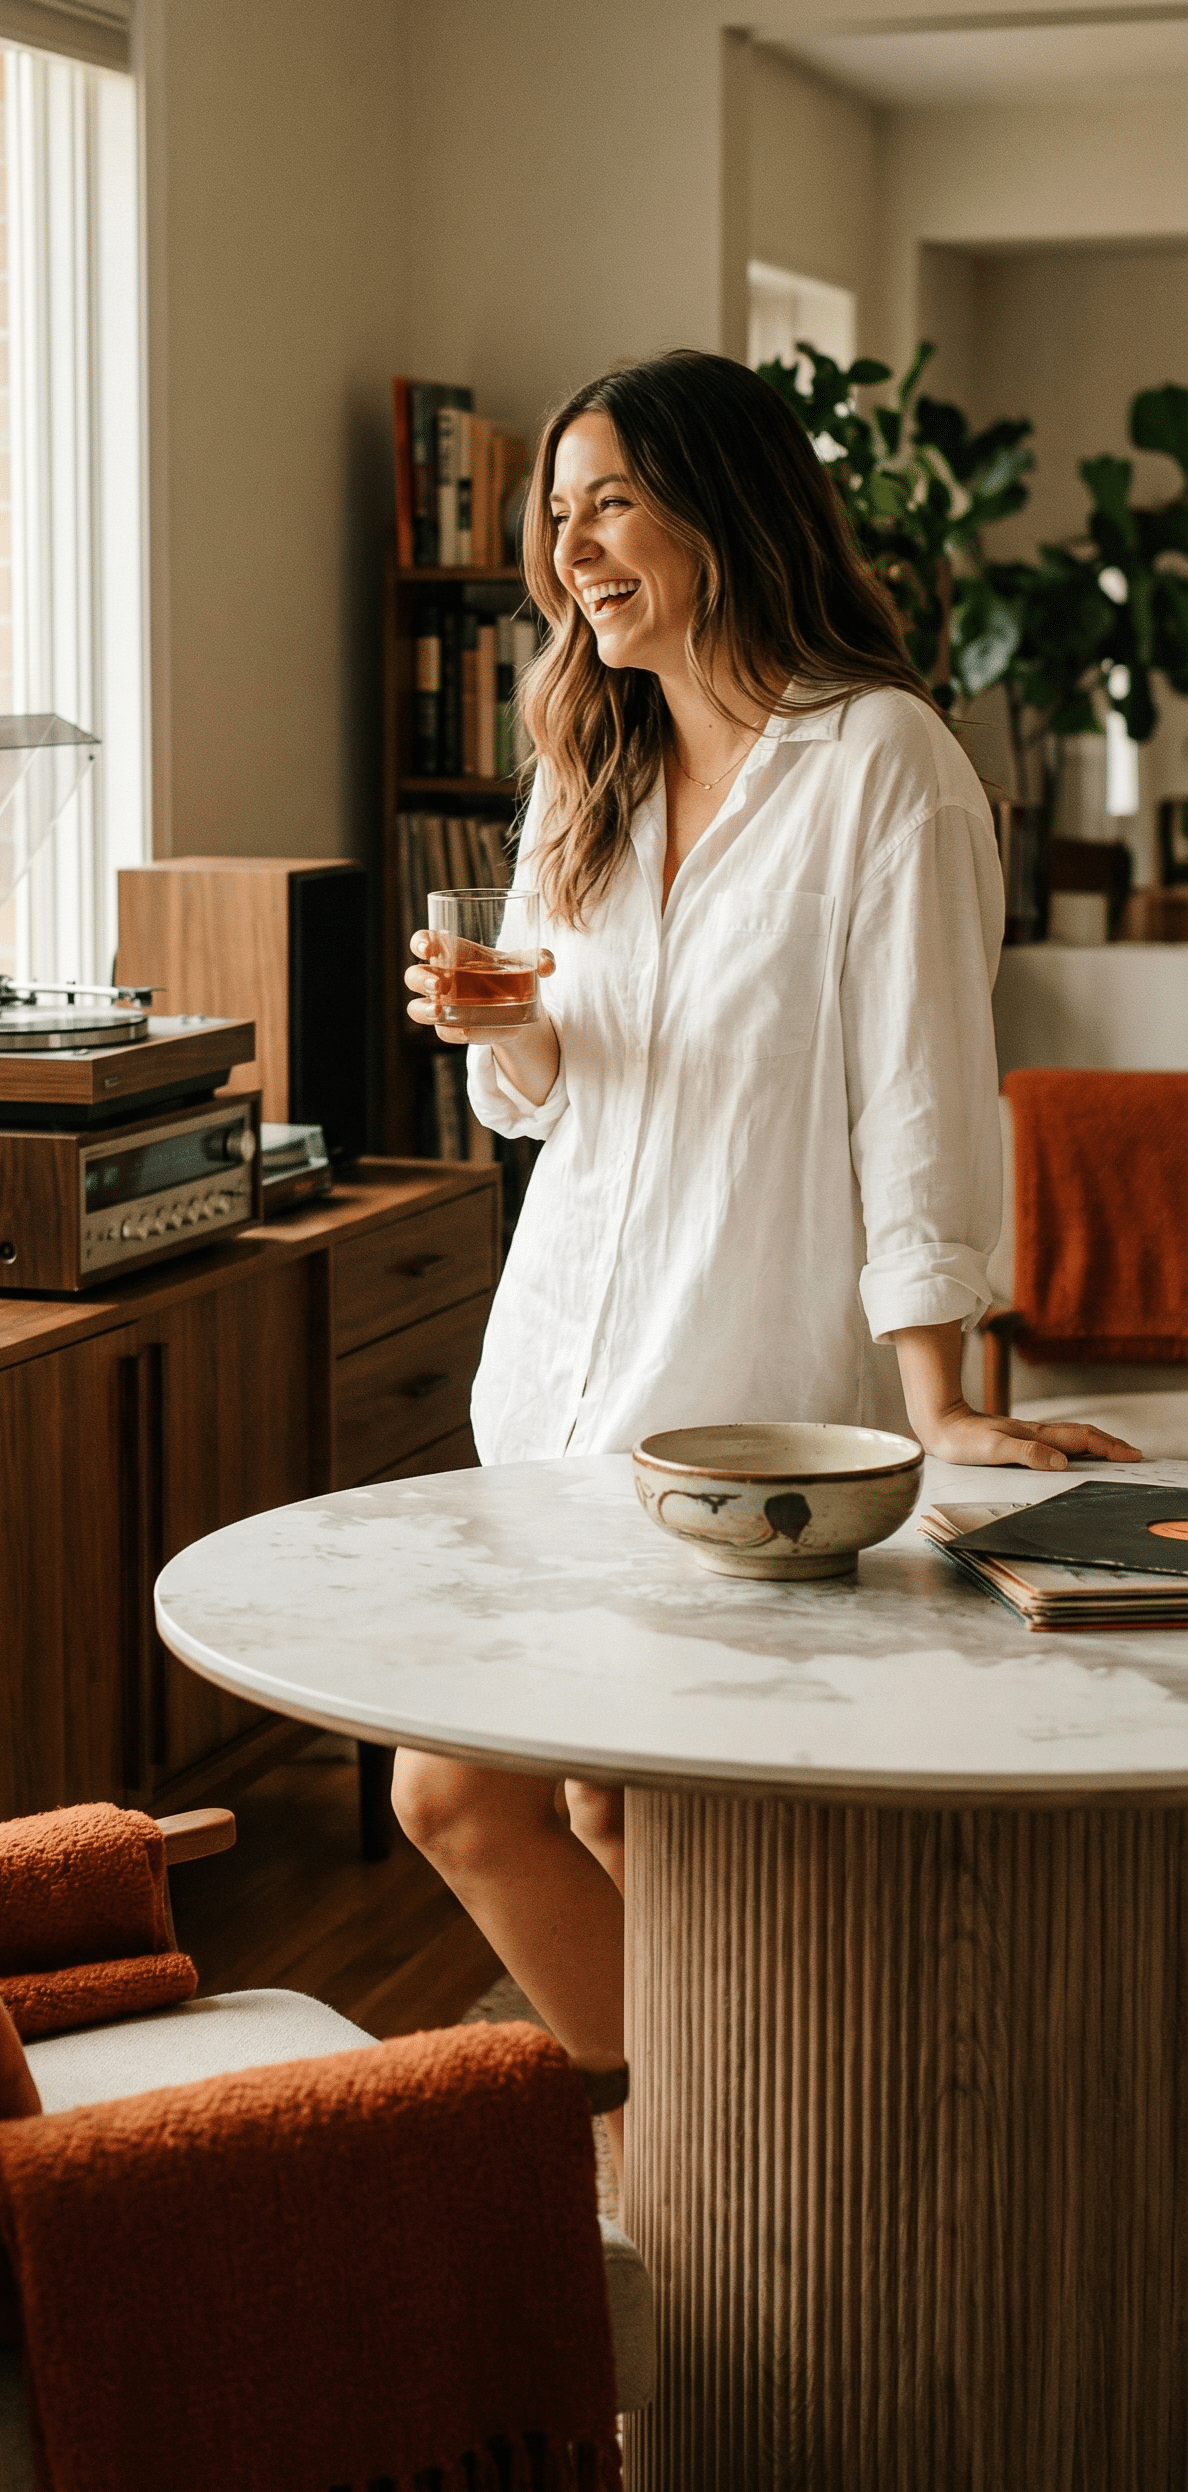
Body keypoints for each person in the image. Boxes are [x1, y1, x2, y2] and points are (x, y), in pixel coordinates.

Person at [392, 350, 1139, 2166]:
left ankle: (738, 2170)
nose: (572, 551)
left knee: (499, 1792)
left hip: (750, 1411)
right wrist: (495, 1024)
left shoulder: (882, 763)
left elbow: (923, 1096)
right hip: (560, 1372)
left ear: (727, 511)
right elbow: (559, 1096)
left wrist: (941, 1397)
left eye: (612, 503)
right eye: (553, 516)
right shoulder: (591, 755)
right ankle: (753, 2166)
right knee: (574, 1807)